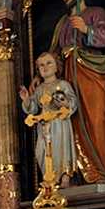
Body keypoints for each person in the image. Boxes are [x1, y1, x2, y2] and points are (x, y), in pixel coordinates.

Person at [49, 0, 105, 179]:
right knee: (72, 123)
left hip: (92, 73)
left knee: (97, 118)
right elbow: (54, 54)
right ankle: (87, 172)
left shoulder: (95, 13)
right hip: (69, 78)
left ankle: (104, 169)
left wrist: (86, 29)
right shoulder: (62, 24)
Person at [19, 51, 78, 187]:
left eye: (49, 63)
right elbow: (33, 108)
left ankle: (64, 177)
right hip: (45, 125)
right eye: (41, 65)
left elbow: (72, 102)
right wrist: (27, 99)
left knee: (60, 148)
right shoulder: (39, 89)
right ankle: (50, 179)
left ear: (57, 66)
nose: (45, 67)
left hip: (60, 123)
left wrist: (63, 101)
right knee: (41, 151)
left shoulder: (63, 84)